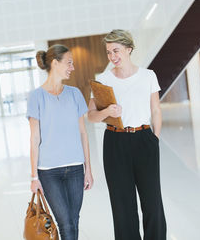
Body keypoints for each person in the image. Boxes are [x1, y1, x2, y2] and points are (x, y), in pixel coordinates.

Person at [87, 29, 166, 240]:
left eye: (116, 50)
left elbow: (156, 110)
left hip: (144, 139)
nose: (112, 57)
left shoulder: (148, 76)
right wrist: (106, 112)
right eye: (108, 52)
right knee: (123, 205)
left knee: (152, 202)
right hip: (115, 142)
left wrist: (154, 139)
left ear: (129, 49)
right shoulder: (103, 80)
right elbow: (91, 116)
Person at [27, 44, 93, 240]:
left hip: (75, 169)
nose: (72, 67)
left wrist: (88, 169)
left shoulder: (75, 94)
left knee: (73, 220)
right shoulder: (36, 97)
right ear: (55, 63)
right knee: (65, 222)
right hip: (48, 172)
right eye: (69, 63)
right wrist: (33, 177)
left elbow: (83, 133)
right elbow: (34, 138)